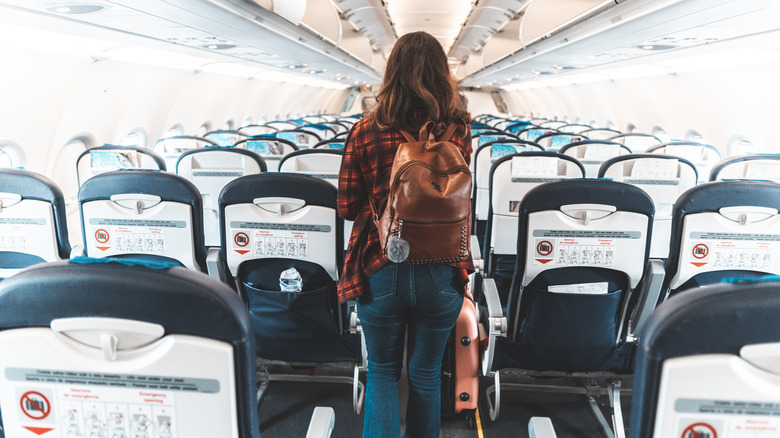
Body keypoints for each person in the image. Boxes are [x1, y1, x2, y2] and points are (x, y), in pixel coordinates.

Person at [337, 31, 473, 438]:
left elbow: (346, 206)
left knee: (381, 371)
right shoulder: (459, 132)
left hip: (382, 266)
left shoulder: (365, 130)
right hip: (443, 267)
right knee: (427, 374)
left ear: (391, 73)